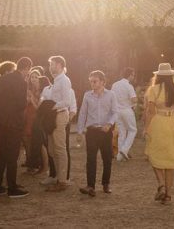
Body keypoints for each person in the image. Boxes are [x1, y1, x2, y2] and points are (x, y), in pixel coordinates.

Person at [144, 63, 174, 204]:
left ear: (158, 75)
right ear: (171, 75)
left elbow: (150, 111)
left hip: (159, 122)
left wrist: (146, 128)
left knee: (154, 154)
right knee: (171, 160)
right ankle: (168, 196)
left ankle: (161, 185)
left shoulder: (153, 89)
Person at [0, 57, 31, 198]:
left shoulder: (3, 79)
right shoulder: (22, 82)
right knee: (13, 155)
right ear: (26, 68)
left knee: (3, 153)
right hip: (14, 122)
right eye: (28, 70)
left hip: (1, 120)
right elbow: (21, 104)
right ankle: (12, 188)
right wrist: (26, 100)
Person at [77, 70, 118, 197]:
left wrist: (109, 124)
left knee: (107, 158)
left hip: (105, 132)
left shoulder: (111, 95)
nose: (92, 84)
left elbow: (115, 112)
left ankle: (106, 184)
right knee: (91, 159)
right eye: (91, 81)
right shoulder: (87, 95)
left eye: (95, 81)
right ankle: (90, 186)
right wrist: (79, 131)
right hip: (92, 132)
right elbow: (83, 113)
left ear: (103, 82)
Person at [41, 56, 76, 192]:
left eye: (53, 65)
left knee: (60, 148)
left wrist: (51, 106)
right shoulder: (56, 81)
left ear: (60, 65)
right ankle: (57, 177)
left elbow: (66, 101)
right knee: (51, 148)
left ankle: (62, 181)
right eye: (50, 65)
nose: (50, 67)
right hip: (51, 116)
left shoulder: (64, 80)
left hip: (60, 115)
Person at [112, 67, 138, 161]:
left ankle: (119, 156)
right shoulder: (129, 86)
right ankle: (124, 150)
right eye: (133, 75)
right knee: (133, 130)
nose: (133, 77)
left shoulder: (115, 85)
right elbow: (134, 99)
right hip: (126, 110)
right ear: (130, 75)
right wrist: (137, 100)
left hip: (117, 111)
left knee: (122, 132)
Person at [23, 70, 42, 173]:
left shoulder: (41, 90)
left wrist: (31, 98)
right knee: (26, 139)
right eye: (32, 77)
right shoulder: (28, 89)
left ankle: (36, 163)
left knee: (34, 140)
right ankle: (29, 161)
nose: (33, 79)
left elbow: (39, 107)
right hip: (27, 114)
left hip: (35, 116)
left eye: (36, 77)